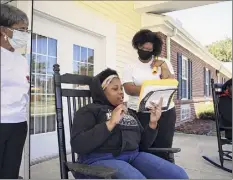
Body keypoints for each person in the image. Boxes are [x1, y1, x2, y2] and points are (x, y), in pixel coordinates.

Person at [71, 68, 188, 179]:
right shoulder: (89, 111)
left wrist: (153, 123)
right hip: (100, 158)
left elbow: (142, 145)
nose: (121, 93)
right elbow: (78, 144)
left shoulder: (127, 112)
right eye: (115, 89)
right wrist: (110, 123)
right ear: (102, 92)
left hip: (134, 155)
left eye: (121, 89)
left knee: (179, 175)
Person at [122, 29, 177, 162]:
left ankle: (165, 171)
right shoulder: (130, 66)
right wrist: (152, 88)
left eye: (148, 49)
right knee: (144, 146)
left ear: (154, 49)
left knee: (164, 147)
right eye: (142, 47)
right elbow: (129, 88)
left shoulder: (163, 62)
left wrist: (163, 66)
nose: (144, 50)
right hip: (140, 112)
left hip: (165, 111)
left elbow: (171, 83)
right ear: (137, 46)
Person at [0, 4, 30, 179]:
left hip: (19, 123)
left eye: (27, 30)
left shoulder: (22, 60)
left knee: (10, 173)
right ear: (3, 29)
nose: (24, 34)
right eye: (20, 30)